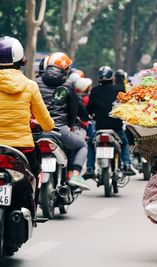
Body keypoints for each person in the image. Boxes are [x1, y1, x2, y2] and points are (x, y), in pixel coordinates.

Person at [0, 36, 55, 204]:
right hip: (23, 149)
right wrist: (48, 125)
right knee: (36, 171)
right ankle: (32, 208)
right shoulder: (30, 85)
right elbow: (46, 123)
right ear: (20, 59)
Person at [36, 52, 90, 190]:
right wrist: (70, 126)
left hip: (37, 131)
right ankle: (75, 176)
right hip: (60, 131)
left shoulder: (35, 83)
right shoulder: (68, 84)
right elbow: (73, 111)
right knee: (82, 145)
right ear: (65, 69)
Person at [86, 66, 135, 176]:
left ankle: (89, 168)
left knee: (90, 144)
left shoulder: (94, 91)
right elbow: (125, 106)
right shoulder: (119, 89)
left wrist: (88, 116)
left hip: (100, 128)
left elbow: (89, 109)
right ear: (112, 77)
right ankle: (127, 164)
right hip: (116, 127)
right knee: (125, 142)